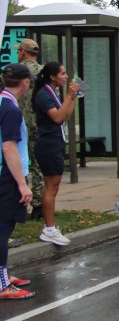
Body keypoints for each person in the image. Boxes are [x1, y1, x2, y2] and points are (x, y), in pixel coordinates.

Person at [32, 62, 80, 246]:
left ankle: (50, 227)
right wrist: (68, 95)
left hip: (56, 142)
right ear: (52, 77)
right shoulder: (43, 94)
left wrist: (73, 97)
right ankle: (49, 229)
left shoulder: (51, 92)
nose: (66, 76)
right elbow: (57, 117)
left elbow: (66, 115)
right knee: (51, 186)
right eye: (62, 73)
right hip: (48, 144)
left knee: (54, 186)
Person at [0, 64, 36, 299]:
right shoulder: (11, 109)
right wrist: (22, 184)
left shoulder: (3, 102)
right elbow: (9, 147)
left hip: (4, 174)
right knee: (3, 228)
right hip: (7, 176)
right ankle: (2, 284)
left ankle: (3, 275)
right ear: (25, 82)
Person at [13, 38, 43, 220]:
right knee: (37, 166)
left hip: (17, 124)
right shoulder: (43, 73)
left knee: (17, 163)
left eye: (19, 51)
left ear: (23, 52)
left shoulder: (15, 71)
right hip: (38, 125)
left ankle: (19, 201)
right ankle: (38, 205)